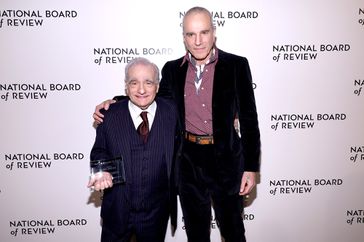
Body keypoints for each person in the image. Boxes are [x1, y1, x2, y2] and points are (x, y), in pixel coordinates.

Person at [93, 6, 261, 242]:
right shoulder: (172, 70)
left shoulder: (237, 65)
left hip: (226, 161)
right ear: (184, 37)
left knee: (233, 232)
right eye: (191, 34)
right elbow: (153, 99)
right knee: (196, 233)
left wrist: (251, 167)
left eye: (203, 32)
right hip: (188, 162)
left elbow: (249, 119)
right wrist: (115, 103)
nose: (198, 41)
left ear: (214, 32)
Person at [88, 57, 179, 242]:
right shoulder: (109, 114)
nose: (142, 90)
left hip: (156, 213)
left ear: (158, 86)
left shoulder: (173, 112)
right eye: (134, 83)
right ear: (126, 86)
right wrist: (102, 170)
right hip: (117, 210)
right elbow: (99, 150)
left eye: (148, 82)